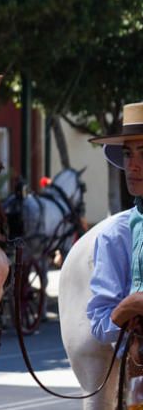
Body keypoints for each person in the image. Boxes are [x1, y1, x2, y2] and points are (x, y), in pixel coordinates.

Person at [86, 102, 143, 344]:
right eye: (128, 154)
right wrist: (132, 304)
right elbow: (101, 325)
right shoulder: (115, 233)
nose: (132, 165)